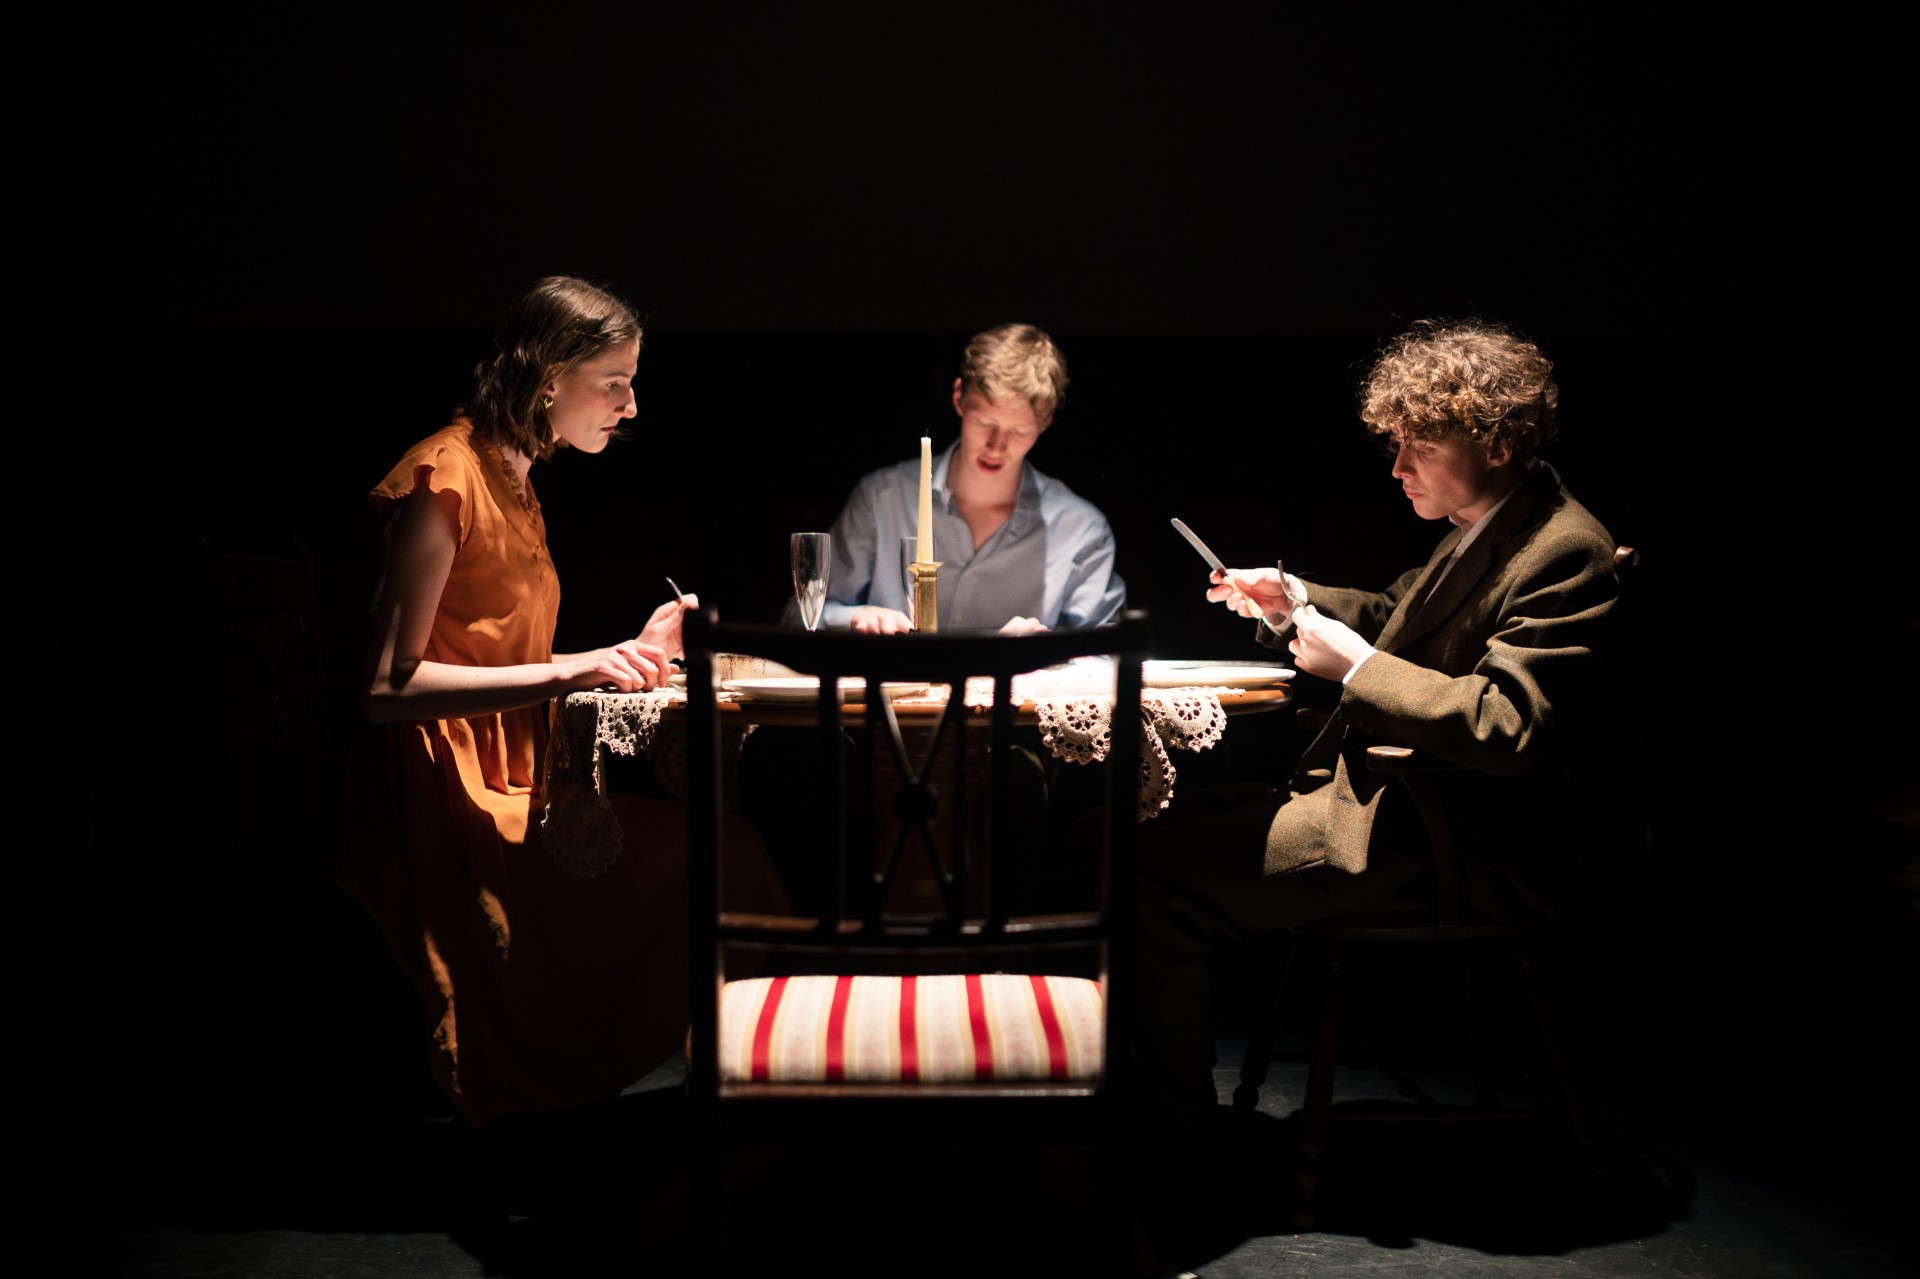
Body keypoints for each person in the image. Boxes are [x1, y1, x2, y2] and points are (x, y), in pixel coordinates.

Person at [342, 275, 785, 1230]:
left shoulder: (516, 481)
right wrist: (576, 669)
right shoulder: (445, 475)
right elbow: (386, 688)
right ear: (549, 379)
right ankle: (732, 1144)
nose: (632, 405)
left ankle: (720, 1133)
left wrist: (633, 650)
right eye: (615, 382)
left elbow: (498, 647)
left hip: (513, 775)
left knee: (731, 852)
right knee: (731, 858)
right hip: (451, 797)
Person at [1130, 317, 1624, 1164]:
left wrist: (1356, 671)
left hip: (1451, 841)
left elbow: (1507, 725)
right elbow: (1394, 616)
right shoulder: (1485, 523)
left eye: (1417, 447)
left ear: (1498, 441)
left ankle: (1171, 1143)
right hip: (1396, 809)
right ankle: (1154, 1109)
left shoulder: (1563, 548)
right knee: (1142, 837)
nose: (1397, 468)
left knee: (1151, 882)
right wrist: (1291, 598)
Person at [787, 322, 1126, 633]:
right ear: (959, 398)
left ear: (1045, 423)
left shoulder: (1081, 529)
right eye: (985, 423)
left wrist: (1049, 651)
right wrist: (856, 618)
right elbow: (799, 618)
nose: (997, 446)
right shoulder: (883, 498)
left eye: (1019, 432)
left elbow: (1105, 656)